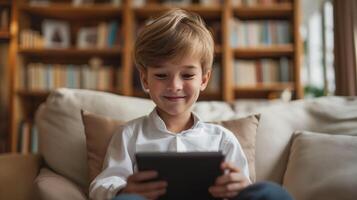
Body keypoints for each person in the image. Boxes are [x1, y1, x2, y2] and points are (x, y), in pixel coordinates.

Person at [89, 8, 292, 200]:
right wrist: (124, 189)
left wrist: (240, 187)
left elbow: (242, 191)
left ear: (203, 80)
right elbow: (102, 184)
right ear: (145, 80)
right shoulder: (129, 135)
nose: (175, 85)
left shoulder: (222, 139)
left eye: (187, 75)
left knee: (270, 192)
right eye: (161, 75)